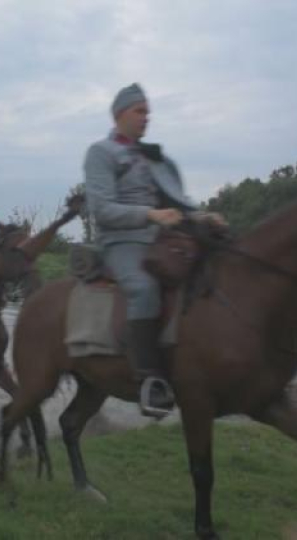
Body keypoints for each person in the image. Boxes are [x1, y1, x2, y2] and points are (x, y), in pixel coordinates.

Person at [84, 82, 224, 417]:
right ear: (120, 114)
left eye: (148, 111)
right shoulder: (100, 152)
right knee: (144, 288)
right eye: (140, 111)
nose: (147, 117)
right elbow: (101, 209)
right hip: (121, 242)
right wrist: (150, 214)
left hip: (164, 240)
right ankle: (150, 380)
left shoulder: (158, 159)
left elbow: (180, 204)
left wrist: (203, 217)